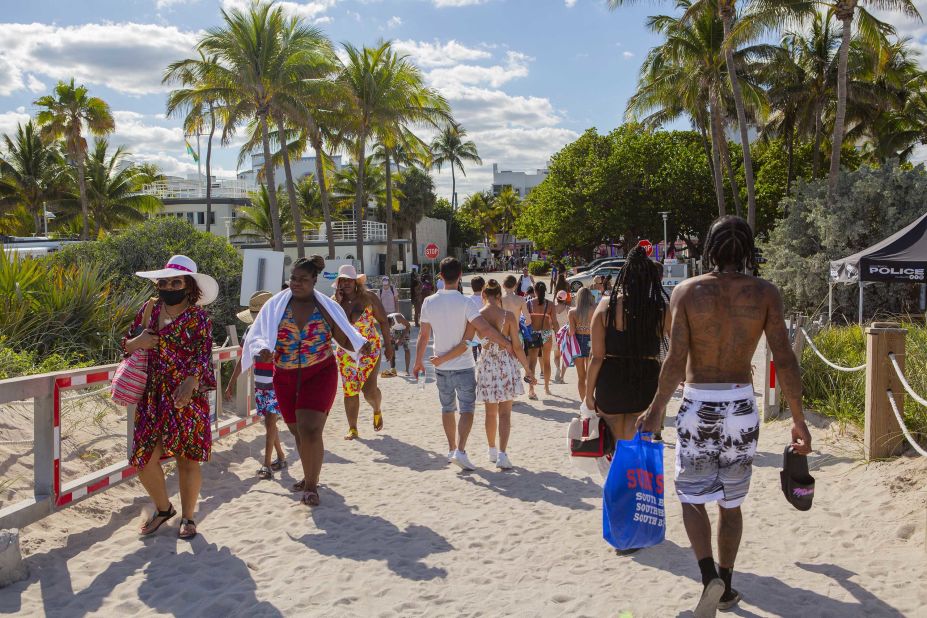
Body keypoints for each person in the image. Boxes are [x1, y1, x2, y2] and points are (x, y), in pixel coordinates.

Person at [637, 216, 812, 615]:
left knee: (690, 497)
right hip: (741, 406)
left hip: (699, 405)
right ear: (748, 251)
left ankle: (708, 577)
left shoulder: (685, 291)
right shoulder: (766, 293)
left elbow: (676, 361)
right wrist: (798, 418)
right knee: (730, 505)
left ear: (709, 251)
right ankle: (728, 585)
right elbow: (784, 358)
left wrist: (655, 409)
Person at [242, 256, 367, 507]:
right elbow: (258, 336)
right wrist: (264, 350)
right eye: (293, 278)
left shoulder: (326, 308)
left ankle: (311, 486)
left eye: (303, 279)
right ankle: (310, 473)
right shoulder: (275, 306)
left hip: (319, 372)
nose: (296, 283)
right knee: (297, 431)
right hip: (285, 376)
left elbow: (341, 336)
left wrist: (358, 345)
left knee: (311, 429)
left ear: (314, 281)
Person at [123, 255, 219, 539]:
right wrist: (138, 342)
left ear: (188, 285)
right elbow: (126, 345)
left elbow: (203, 357)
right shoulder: (148, 310)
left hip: (185, 396)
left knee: (187, 459)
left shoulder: (199, 318)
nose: (169, 286)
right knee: (143, 459)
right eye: (164, 282)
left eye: (175, 281)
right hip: (152, 396)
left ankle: (188, 518)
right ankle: (164, 508)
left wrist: (191, 381)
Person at [412, 257, 514, 471]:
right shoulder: (466, 302)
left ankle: (452, 449)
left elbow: (423, 336)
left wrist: (418, 363)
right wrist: (505, 342)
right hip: (464, 364)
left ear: (440, 276)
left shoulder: (429, 302)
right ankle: (460, 449)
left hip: (439, 366)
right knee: (467, 409)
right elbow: (484, 329)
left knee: (447, 408)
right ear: (460, 277)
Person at [431, 280, 535, 469]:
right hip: (505, 363)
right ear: (499, 297)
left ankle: (491, 450)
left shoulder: (476, 316)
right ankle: (503, 454)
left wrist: (443, 358)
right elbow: (517, 347)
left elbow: (467, 343)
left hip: (487, 364)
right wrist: (527, 369)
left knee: (490, 413)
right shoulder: (509, 316)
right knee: (505, 413)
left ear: (483, 296)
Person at [585, 246, 671, 448]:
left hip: (611, 380)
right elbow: (677, 351)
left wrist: (588, 394)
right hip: (645, 380)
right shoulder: (661, 308)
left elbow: (596, 357)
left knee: (613, 447)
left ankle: (616, 478)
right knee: (637, 447)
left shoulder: (606, 306)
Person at [225, 291, 286, 480]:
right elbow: (244, 357)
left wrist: (231, 382)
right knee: (269, 421)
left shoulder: (279, 329)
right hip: (262, 383)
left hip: (276, 382)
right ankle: (281, 457)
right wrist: (231, 382)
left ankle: (266, 464)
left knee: (269, 421)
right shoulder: (253, 330)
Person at [334, 265, 394, 440]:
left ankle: (376, 409)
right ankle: (353, 428)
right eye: (341, 280)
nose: (345, 283)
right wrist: (337, 303)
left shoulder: (369, 298)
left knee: (368, 390)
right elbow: (333, 327)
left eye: (348, 280)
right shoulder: (335, 302)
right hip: (346, 352)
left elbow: (383, 321)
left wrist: (388, 346)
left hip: (370, 350)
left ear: (355, 282)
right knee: (350, 390)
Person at [525, 281, 560, 399]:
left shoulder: (529, 303)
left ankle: (531, 390)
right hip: (546, 333)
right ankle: (546, 387)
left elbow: (525, 321)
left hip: (533, 334)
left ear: (534, 291)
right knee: (546, 362)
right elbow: (555, 322)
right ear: (545, 291)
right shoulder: (550, 304)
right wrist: (559, 334)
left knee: (532, 362)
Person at [568, 287, 595, 401]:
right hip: (591, 341)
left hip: (578, 342)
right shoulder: (595, 309)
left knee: (581, 376)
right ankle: (589, 401)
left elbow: (572, 332)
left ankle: (582, 403)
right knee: (590, 376)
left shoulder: (572, 312)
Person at [382, 312, 411, 376]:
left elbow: (408, 325)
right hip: (395, 330)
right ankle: (393, 369)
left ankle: (407, 370)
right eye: (389, 326)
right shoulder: (386, 320)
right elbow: (386, 331)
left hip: (405, 329)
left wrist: (400, 339)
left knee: (406, 349)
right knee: (392, 348)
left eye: (391, 325)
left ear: (392, 321)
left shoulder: (398, 318)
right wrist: (388, 341)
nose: (390, 326)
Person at [553, 290, 572, 383]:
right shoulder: (568, 309)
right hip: (565, 334)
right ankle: (562, 377)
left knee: (556, 356)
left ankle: (557, 368)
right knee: (565, 355)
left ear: (557, 297)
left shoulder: (552, 308)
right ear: (565, 299)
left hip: (555, 333)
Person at [469, 276, 486, 360]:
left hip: (472, 327)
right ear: (483, 286)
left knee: (474, 346)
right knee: (482, 347)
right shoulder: (485, 299)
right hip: (484, 327)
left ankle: (474, 361)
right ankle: (482, 361)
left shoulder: (468, 299)